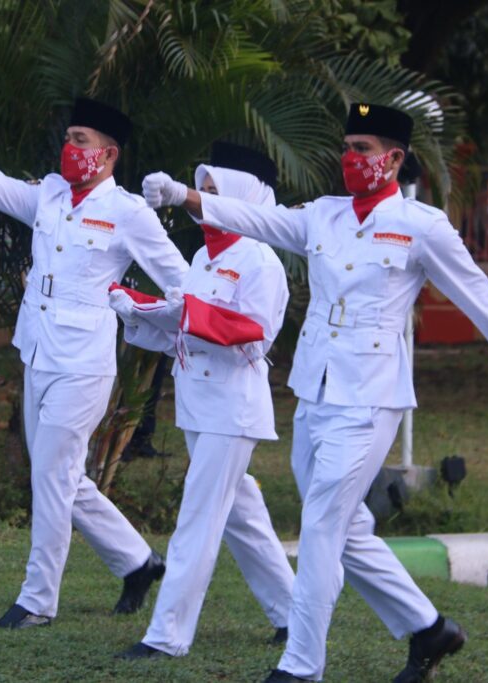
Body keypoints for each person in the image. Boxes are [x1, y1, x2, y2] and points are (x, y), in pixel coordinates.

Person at [142, 103, 488, 683]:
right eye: (348, 147)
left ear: (395, 159)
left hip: (371, 395)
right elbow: (258, 219)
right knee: (346, 527)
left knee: (321, 524)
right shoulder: (324, 215)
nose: (351, 158)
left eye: (363, 149)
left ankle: (301, 664)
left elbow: (477, 295)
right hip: (316, 389)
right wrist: (185, 196)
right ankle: (429, 628)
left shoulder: (420, 225)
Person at [0, 98, 188, 628]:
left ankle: (37, 601)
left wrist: (146, 315)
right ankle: (138, 562)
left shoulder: (129, 213)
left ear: (109, 154)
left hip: (84, 364)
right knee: (60, 475)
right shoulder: (50, 194)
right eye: (68, 138)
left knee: (50, 476)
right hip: (39, 351)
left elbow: (182, 282)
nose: (69, 148)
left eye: (81, 140)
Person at [111, 142, 294, 660]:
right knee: (241, 515)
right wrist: (138, 308)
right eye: (202, 191)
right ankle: (294, 612)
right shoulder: (202, 257)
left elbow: (255, 335)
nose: (202, 202)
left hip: (232, 408)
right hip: (199, 403)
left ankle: (166, 635)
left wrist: (184, 313)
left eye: (215, 192)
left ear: (242, 198)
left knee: (198, 516)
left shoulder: (260, 259)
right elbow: (183, 331)